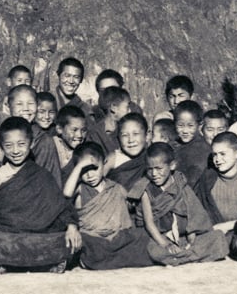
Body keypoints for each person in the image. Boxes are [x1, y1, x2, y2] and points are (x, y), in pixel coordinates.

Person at [0, 118, 82, 272]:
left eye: (21, 144)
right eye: (9, 146)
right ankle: (45, 262)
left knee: (67, 240)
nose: (15, 151)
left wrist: (71, 228)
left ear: (31, 144)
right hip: (8, 233)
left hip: (39, 234)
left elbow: (61, 206)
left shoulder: (41, 174)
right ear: (1, 148)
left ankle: (8, 263)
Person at [128, 142, 227, 266]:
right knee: (151, 250)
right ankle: (188, 256)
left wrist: (192, 237)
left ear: (172, 165)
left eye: (159, 168)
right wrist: (165, 244)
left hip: (183, 237)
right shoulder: (145, 189)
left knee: (218, 238)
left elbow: (193, 213)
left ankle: (178, 257)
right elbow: (149, 224)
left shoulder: (180, 183)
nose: (154, 174)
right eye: (149, 169)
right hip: (159, 237)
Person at [62, 142, 154, 270]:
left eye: (94, 168)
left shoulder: (115, 187)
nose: (90, 175)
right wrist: (79, 166)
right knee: (83, 243)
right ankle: (104, 259)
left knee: (141, 237)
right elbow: (66, 193)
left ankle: (101, 260)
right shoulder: (80, 188)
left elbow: (129, 207)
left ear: (104, 163)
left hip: (116, 237)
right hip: (93, 238)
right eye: (84, 171)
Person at [194, 131, 237, 234]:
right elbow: (198, 211)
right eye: (214, 155)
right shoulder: (208, 179)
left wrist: (228, 225)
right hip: (213, 233)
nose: (218, 159)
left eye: (222, 154)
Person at [8, 84, 60, 183]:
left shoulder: (44, 141)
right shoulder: (4, 131)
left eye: (30, 103)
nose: (26, 109)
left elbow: (50, 180)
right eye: (19, 104)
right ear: (8, 106)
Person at [106, 113, 150, 190]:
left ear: (146, 136)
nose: (131, 140)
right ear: (118, 138)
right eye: (125, 135)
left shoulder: (151, 156)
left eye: (135, 134)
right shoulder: (113, 158)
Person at [173, 100, 210, 186]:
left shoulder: (203, 150)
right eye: (180, 125)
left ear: (200, 125)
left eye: (190, 126)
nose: (185, 131)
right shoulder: (173, 144)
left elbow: (191, 182)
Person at [86, 86, 128, 154]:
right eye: (127, 107)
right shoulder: (94, 134)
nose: (130, 110)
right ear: (114, 107)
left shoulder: (124, 129)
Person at [53, 106, 88, 182]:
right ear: (59, 129)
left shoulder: (84, 151)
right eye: (74, 130)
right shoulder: (51, 145)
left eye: (83, 130)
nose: (79, 135)